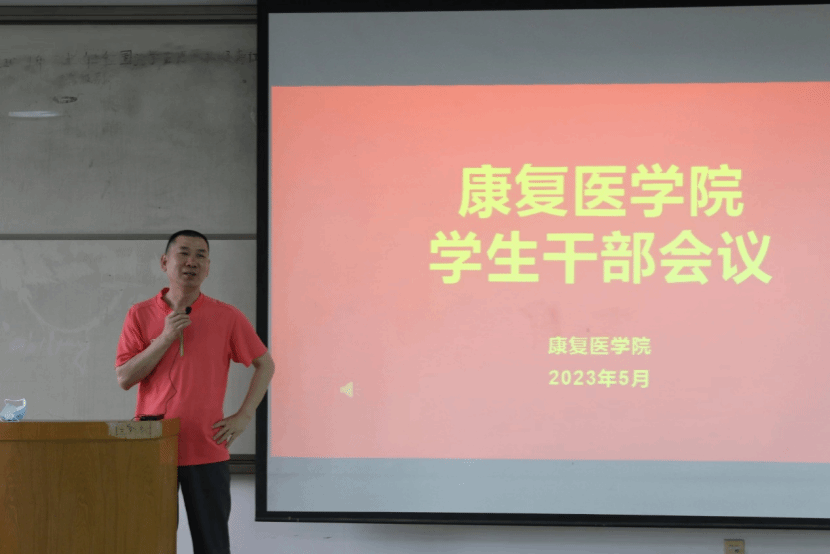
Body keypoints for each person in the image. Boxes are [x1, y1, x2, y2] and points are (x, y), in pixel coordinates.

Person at [115, 230, 275, 554]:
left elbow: (265, 365)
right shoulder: (139, 314)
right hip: (153, 446)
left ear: (208, 267)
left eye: (201, 255)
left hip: (206, 447)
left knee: (212, 545)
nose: (192, 262)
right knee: (153, 544)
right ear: (165, 262)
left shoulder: (226, 316)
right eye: (184, 253)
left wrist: (244, 416)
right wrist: (164, 338)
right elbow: (125, 377)